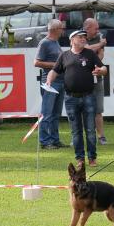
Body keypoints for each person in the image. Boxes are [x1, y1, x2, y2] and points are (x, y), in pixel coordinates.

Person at [46, 30, 107, 166]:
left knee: (90, 129)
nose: (83, 39)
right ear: (72, 40)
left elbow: (104, 68)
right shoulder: (64, 55)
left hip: (88, 96)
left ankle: (92, 158)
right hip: (71, 99)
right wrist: (49, 80)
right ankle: (80, 159)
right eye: (80, 37)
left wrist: (101, 71)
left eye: (84, 37)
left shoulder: (90, 54)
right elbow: (54, 71)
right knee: (75, 130)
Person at [34, 20, 66, 149]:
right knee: (47, 113)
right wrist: (56, 65)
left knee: (56, 114)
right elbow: (36, 62)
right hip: (50, 82)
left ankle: (54, 139)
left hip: (59, 81)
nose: (63, 30)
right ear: (55, 29)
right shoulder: (45, 43)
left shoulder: (55, 42)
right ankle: (44, 141)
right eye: (61, 28)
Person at [82, 18, 109, 144]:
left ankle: (101, 136)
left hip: (97, 79)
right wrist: (100, 45)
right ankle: (83, 135)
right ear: (87, 28)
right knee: (83, 109)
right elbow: (85, 49)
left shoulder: (99, 37)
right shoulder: (79, 37)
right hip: (83, 80)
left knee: (98, 109)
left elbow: (101, 55)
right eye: (95, 28)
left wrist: (92, 57)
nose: (98, 30)